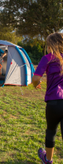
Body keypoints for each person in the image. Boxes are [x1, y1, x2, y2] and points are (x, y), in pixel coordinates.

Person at [32, 32, 63, 164]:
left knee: (51, 130)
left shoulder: (48, 58)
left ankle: (48, 160)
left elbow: (36, 78)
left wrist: (36, 84)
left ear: (50, 45)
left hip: (53, 102)